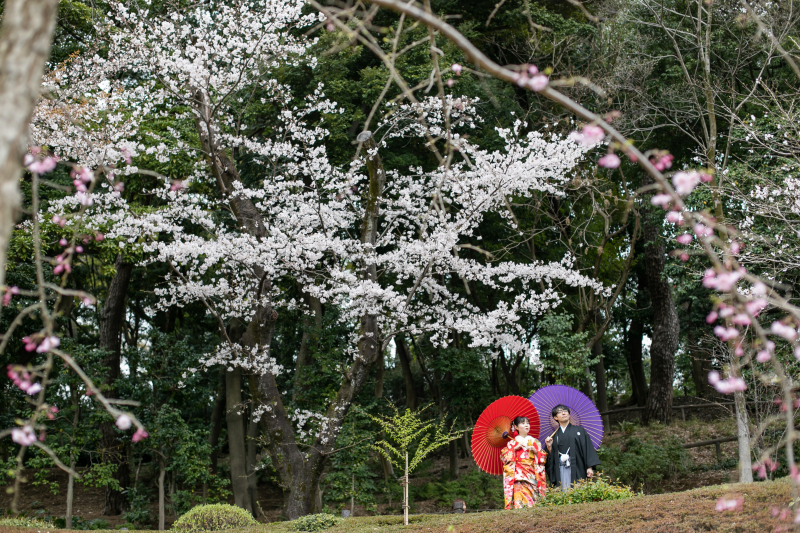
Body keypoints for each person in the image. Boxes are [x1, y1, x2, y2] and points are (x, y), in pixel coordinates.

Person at [544, 404, 601, 492]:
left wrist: (589, 467)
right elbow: (550, 458)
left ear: (569, 414)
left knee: (578, 490)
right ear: (555, 417)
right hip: (561, 468)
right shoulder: (553, 436)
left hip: (577, 466)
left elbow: (587, 449)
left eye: (565, 411)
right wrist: (549, 447)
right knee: (563, 490)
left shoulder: (580, 430)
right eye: (560, 412)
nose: (563, 413)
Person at [500, 416, 547, 509]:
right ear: (516, 427)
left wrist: (535, 451)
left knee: (534, 500)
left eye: (527, 423)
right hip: (519, 475)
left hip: (533, 474)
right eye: (523, 423)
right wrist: (514, 449)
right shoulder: (512, 443)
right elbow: (504, 458)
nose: (526, 425)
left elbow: (543, 458)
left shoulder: (535, 442)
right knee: (520, 499)